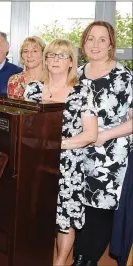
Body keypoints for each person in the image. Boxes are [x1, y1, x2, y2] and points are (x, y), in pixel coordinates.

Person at [23, 39, 98, 266]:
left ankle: (59, 263)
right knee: (36, 216)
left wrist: (56, 145)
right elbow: (24, 128)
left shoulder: (83, 91)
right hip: (35, 163)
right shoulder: (33, 89)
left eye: (62, 56)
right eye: (51, 55)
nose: (55, 60)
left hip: (69, 166)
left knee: (65, 219)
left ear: (71, 62)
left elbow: (90, 135)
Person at [72, 20, 133, 266]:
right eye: (90, 39)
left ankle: (84, 260)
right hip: (78, 154)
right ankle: (80, 257)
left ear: (111, 45)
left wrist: (106, 135)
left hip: (110, 157)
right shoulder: (76, 74)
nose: (95, 44)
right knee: (80, 210)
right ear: (83, 43)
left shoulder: (124, 75)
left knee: (99, 211)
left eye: (102, 39)